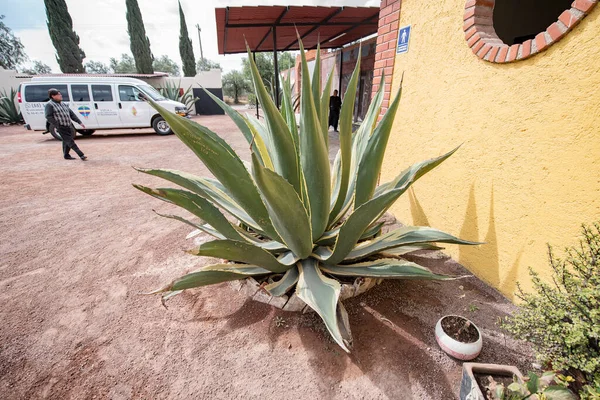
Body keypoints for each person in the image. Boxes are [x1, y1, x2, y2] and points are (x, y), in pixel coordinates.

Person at [44, 88, 87, 161]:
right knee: (70, 141)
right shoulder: (50, 105)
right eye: (58, 94)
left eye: (60, 94)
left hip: (68, 125)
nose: (60, 95)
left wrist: (79, 122)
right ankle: (81, 154)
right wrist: (56, 124)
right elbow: (48, 116)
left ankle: (66, 155)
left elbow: (71, 114)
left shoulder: (63, 104)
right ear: (53, 96)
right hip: (61, 126)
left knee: (66, 140)